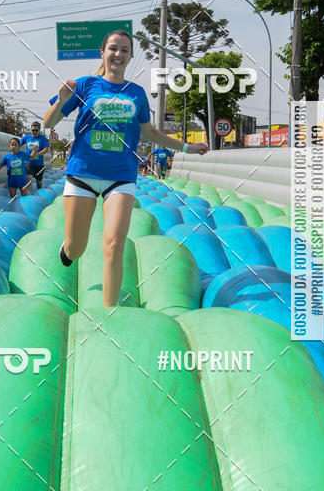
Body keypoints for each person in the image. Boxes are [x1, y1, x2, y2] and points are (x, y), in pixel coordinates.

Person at [43, 29, 208, 307]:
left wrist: (185, 147)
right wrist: (61, 98)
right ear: (103, 53)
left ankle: (110, 315)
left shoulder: (136, 93)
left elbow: (150, 133)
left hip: (121, 177)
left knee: (114, 245)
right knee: (77, 247)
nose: (118, 54)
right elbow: (48, 123)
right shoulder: (83, 86)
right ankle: (68, 250)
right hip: (82, 174)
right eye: (113, 49)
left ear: (130, 56)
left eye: (124, 50)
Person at [21, 122, 50, 191]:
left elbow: (46, 149)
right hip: (28, 162)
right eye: (33, 130)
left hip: (39, 164)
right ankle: (30, 196)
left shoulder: (42, 138)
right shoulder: (26, 138)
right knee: (28, 178)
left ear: (39, 130)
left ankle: (39, 193)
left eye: (36, 130)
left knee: (39, 182)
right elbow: (18, 144)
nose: (34, 132)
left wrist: (38, 154)